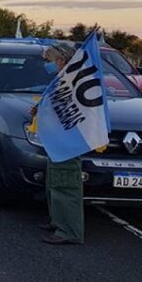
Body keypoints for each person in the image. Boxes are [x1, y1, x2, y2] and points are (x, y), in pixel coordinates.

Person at [31, 43, 86, 246]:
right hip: (58, 143)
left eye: (49, 60)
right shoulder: (64, 80)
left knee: (65, 186)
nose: (47, 64)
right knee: (55, 184)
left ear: (61, 61)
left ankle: (69, 231)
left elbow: (68, 111)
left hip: (66, 144)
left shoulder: (72, 83)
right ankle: (58, 221)